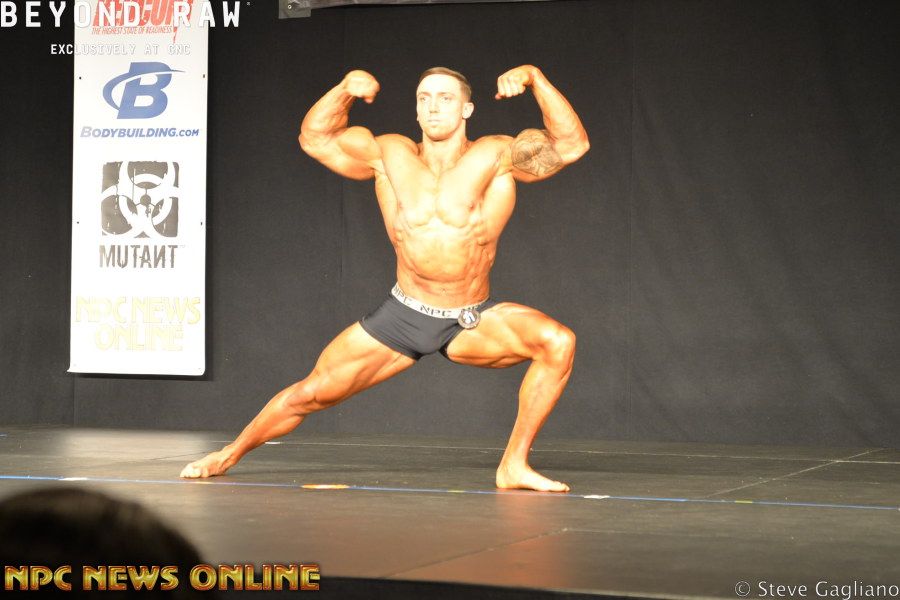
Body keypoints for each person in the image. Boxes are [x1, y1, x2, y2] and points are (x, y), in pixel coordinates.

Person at [181, 65, 589, 492]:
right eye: (424, 98)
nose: (433, 107)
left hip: (470, 319)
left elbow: (571, 145)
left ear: (467, 109)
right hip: (404, 316)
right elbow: (315, 139)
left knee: (557, 343)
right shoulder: (388, 154)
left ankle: (513, 465)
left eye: (445, 98)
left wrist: (536, 79)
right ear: (416, 109)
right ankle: (228, 454)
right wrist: (344, 89)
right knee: (311, 394)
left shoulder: (497, 156)